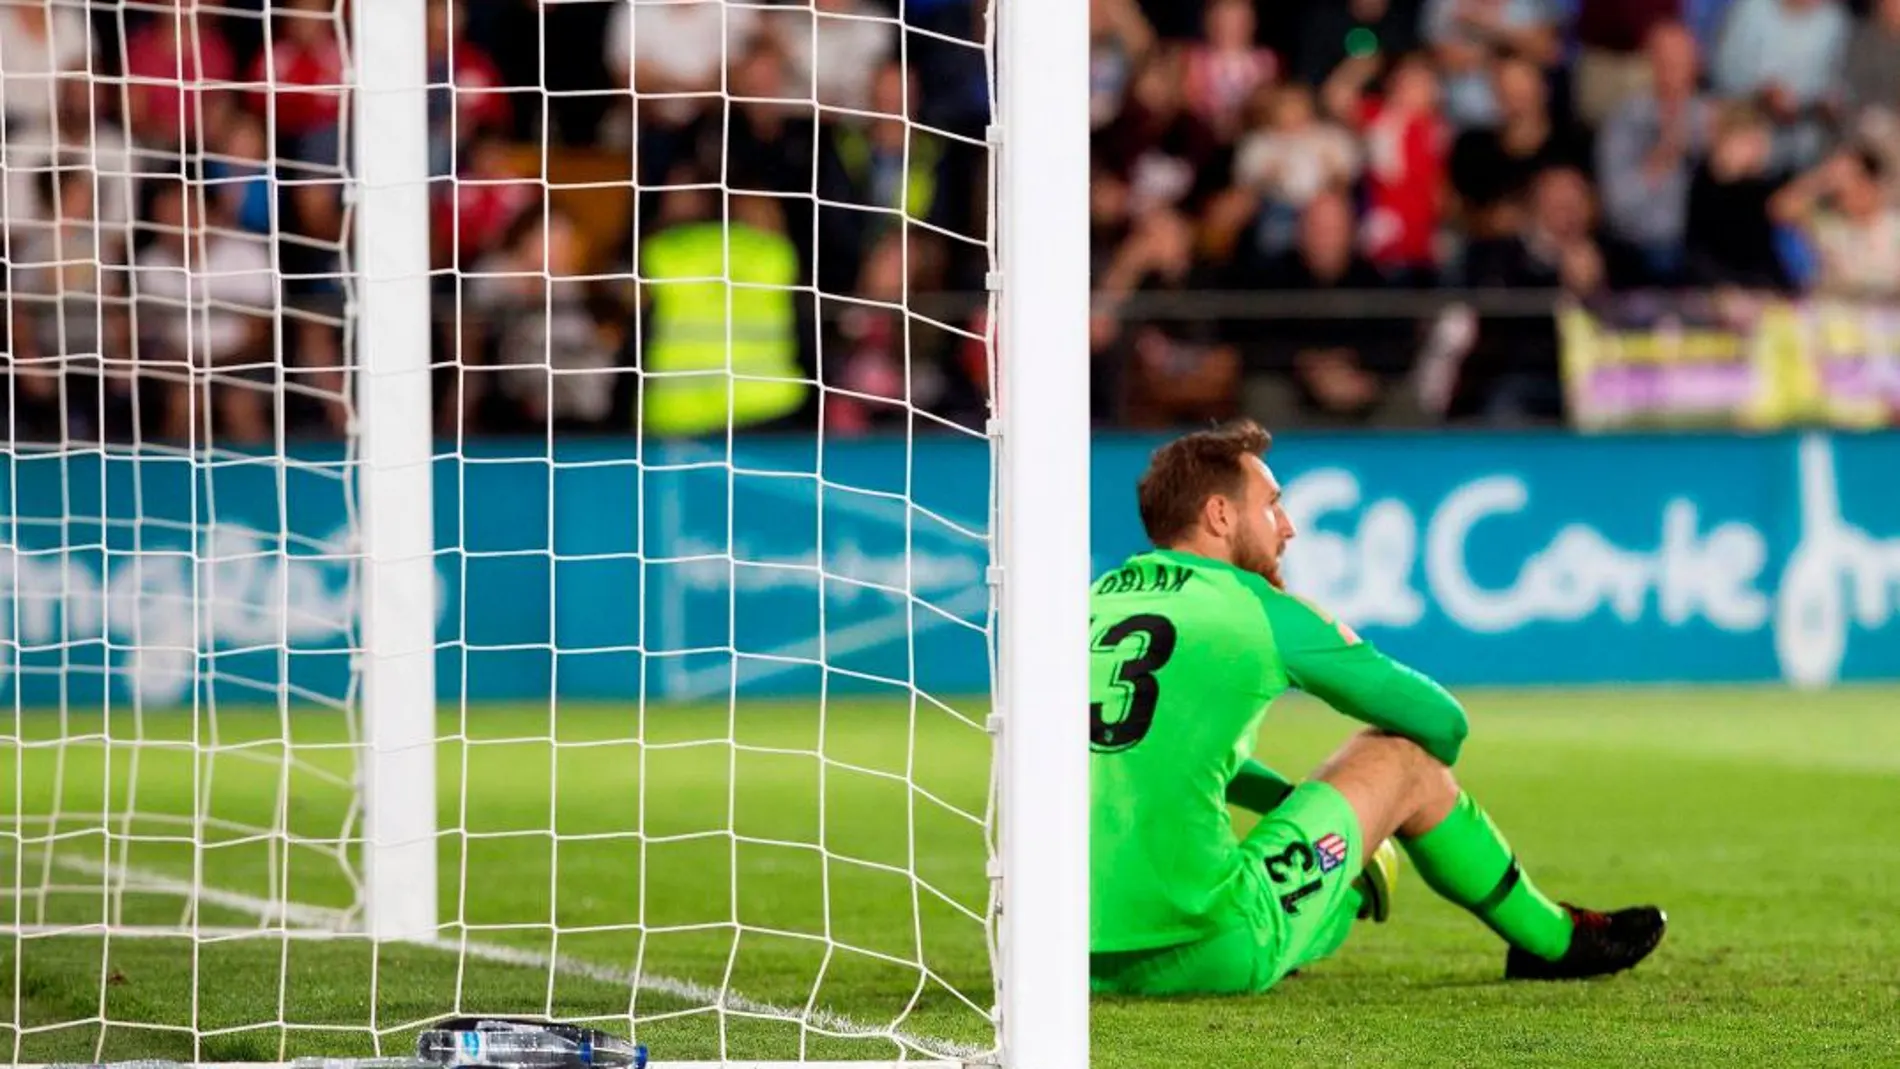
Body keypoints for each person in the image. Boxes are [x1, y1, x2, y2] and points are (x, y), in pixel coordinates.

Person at [1089, 421, 1666, 996]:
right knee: (1404, 759)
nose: (1288, 527)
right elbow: (1442, 722)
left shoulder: (1089, 605)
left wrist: (1295, 803)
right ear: (1220, 515)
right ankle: (1554, 939)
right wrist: (1374, 815)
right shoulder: (1259, 610)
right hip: (1207, 948)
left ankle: (1348, 883)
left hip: (1063, 957)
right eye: (1272, 505)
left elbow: (1145, 752)